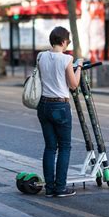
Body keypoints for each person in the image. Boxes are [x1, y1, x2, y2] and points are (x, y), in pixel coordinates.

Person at [37, 26, 83, 198]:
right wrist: (78, 66)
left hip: (43, 106)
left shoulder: (40, 56)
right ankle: (60, 187)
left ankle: (49, 188)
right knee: (64, 146)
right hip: (60, 107)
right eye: (67, 42)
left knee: (50, 147)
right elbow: (73, 85)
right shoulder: (66, 59)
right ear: (64, 42)